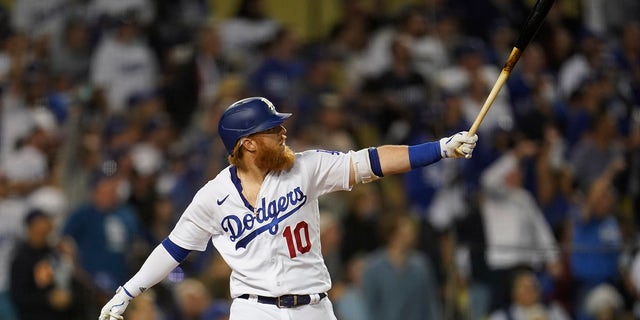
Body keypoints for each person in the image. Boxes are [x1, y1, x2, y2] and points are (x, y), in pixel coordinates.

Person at [98, 96, 478, 320]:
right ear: (247, 144)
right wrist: (129, 291)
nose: (282, 132)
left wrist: (440, 148)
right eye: (271, 129)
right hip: (254, 311)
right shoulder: (212, 197)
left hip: (314, 307)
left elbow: (370, 161)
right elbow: (174, 249)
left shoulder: (305, 167)